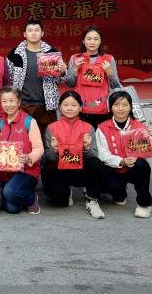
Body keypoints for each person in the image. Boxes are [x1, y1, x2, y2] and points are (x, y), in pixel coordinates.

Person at [42, 90, 106, 219]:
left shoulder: (88, 127)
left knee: (97, 164)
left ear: (80, 107)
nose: (70, 108)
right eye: (65, 105)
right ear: (60, 107)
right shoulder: (51, 127)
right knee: (60, 199)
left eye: (74, 105)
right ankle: (66, 192)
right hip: (59, 169)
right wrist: (55, 150)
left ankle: (92, 200)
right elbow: (49, 158)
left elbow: (94, 155)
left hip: (81, 168)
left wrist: (87, 147)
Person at [6, 19, 67, 143]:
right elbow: (9, 78)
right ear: (24, 34)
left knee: (47, 142)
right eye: (30, 30)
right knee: (23, 142)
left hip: (46, 107)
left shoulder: (52, 53)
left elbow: (61, 80)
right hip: (23, 105)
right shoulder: (15, 54)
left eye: (37, 30)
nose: (33, 33)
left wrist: (63, 71)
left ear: (42, 33)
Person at [96, 91, 152, 218]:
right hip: (114, 168)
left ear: (131, 107)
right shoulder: (102, 128)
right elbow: (102, 154)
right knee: (109, 185)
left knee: (142, 165)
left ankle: (144, 204)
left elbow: (146, 150)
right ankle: (119, 193)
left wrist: (149, 137)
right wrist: (121, 161)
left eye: (125, 104)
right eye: (116, 104)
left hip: (133, 167)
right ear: (111, 107)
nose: (121, 108)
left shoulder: (139, 126)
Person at [0, 86, 43, 215]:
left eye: (12, 101)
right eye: (4, 101)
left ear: (19, 102)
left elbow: (39, 148)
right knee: (12, 208)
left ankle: (32, 198)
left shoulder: (29, 121)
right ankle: (19, 192)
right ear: (0, 103)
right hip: (5, 172)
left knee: (9, 192)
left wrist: (29, 157)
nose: (8, 105)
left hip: (26, 171)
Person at [66, 26, 121, 130]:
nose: (92, 42)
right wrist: (75, 69)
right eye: (89, 39)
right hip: (80, 108)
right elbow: (70, 84)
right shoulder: (75, 58)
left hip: (102, 109)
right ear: (83, 41)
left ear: (100, 41)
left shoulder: (108, 59)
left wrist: (109, 73)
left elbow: (115, 85)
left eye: (96, 39)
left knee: (101, 138)